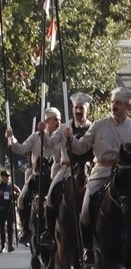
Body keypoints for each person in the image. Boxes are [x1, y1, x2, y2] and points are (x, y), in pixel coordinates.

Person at [64, 87, 131, 266]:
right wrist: (70, 139)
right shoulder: (99, 125)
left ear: (128, 106)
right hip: (101, 173)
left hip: (127, 177)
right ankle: (88, 249)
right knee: (86, 209)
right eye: (113, 102)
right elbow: (81, 148)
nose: (114, 106)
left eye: (118, 103)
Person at [43, 93, 93, 251]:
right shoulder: (64, 127)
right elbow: (50, 144)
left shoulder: (93, 127)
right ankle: (49, 233)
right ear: (72, 110)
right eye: (76, 108)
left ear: (87, 110)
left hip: (88, 167)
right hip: (66, 167)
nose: (78, 110)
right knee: (51, 195)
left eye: (81, 108)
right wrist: (43, 132)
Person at [7, 107, 61, 246]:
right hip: (36, 175)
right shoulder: (36, 136)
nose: (58, 122)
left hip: (55, 174)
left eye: (59, 119)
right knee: (21, 200)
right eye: (55, 119)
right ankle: (25, 229)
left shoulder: (61, 136)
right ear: (47, 121)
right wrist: (11, 138)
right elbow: (21, 148)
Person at [0, 171, 17, 252]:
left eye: (7, 176)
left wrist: (13, 193)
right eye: (5, 176)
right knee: (1, 228)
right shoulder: (0, 186)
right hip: (1, 208)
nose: (7, 178)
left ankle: (10, 245)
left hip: (9, 208)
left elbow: (17, 192)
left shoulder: (11, 185)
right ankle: (2, 245)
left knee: (10, 228)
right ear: (2, 177)